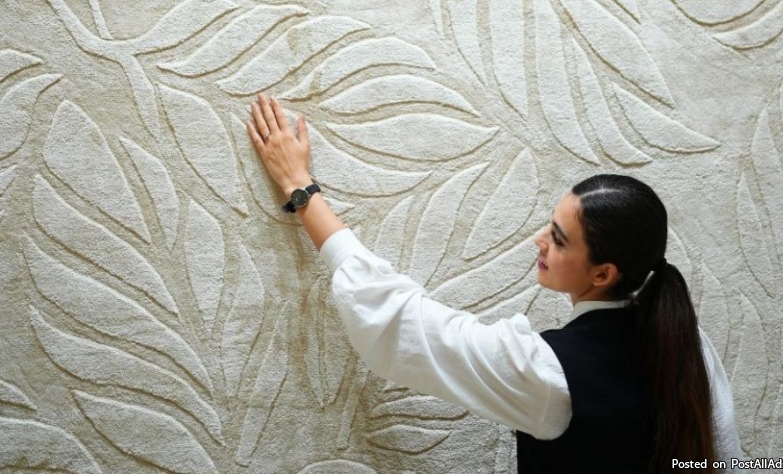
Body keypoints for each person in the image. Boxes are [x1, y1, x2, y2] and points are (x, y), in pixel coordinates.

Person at [247, 94, 741, 473]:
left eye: (558, 239)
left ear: (603, 273)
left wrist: (301, 188)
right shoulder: (689, 342)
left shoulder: (548, 375)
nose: (538, 240)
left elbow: (404, 322)